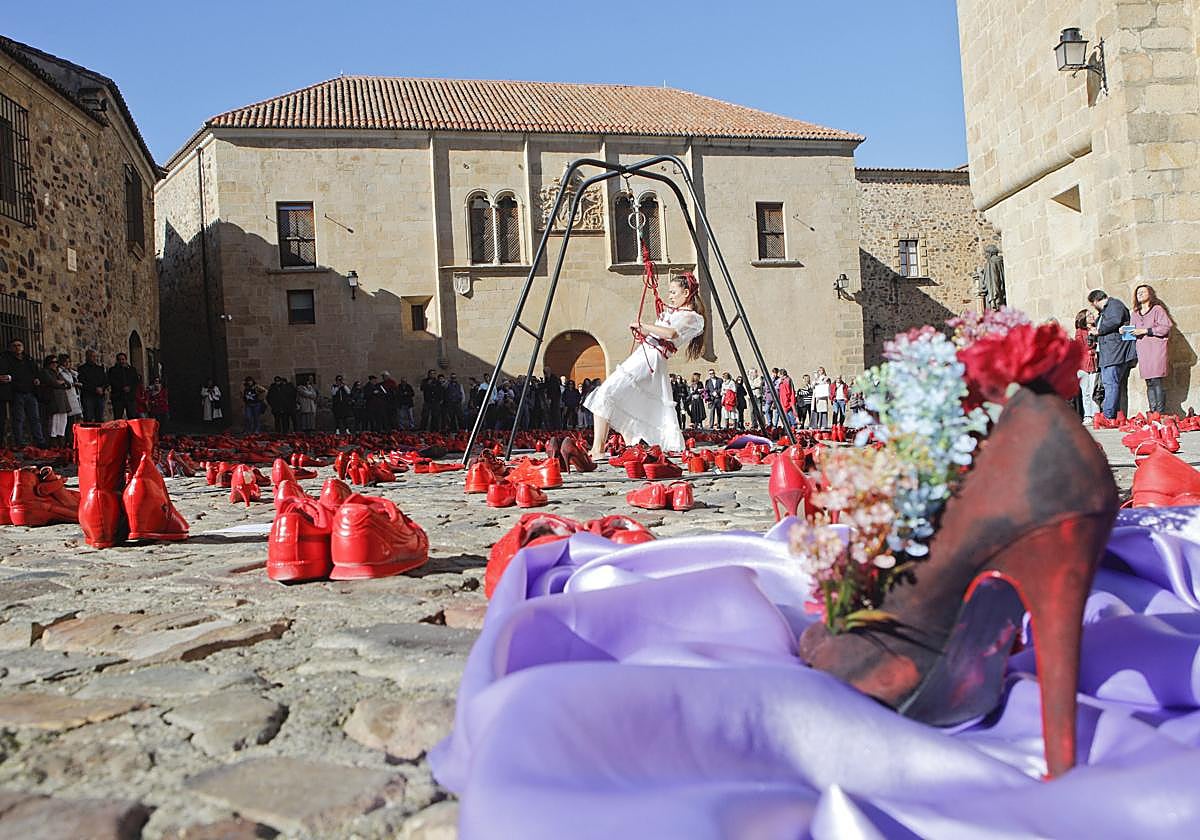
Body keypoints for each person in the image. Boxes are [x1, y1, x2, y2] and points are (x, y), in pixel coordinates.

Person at [585, 273, 706, 459]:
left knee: (607, 392)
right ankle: (603, 447)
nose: (670, 296)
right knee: (612, 394)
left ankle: (598, 449)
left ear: (687, 292)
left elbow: (671, 333)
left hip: (652, 358)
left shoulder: (693, 318)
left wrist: (645, 326)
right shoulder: (675, 313)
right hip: (646, 354)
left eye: (674, 292)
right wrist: (643, 330)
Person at [1088, 289, 1138, 420]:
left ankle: (1108, 415)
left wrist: (1099, 330)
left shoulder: (1114, 305)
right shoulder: (1104, 311)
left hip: (1114, 352)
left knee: (1111, 383)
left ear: (1096, 301)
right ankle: (1112, 413)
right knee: (1109, 383)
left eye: (1093, 304)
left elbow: (1115, 321)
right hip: (1107, 353)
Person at [1129, 284, 1173, 414]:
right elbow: (1132, 331)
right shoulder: (1135, 314)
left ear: (1150, 294)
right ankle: (1152, 411)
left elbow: (1165, 327)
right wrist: (1125, 331)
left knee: (1156, 379)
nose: (1140, 294)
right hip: (1143, 350)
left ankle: (1160, 412)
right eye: (1138, 293)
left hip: (1156, 349)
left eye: (1143, 292)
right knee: (1149, 381)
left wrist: (1145, 330)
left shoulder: (1157, 309)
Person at [2, 339, 45, 446]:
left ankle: (39, 441)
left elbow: (36, 372)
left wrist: (36, 379)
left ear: (23, 347)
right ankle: (19, 442)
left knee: (35, 418)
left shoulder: (28, 359)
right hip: (17, 393)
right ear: (11, 348)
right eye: (15, 345)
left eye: (19, 345)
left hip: (30, 392)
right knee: (18, 419)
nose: (17, 347)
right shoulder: (7, 360)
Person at [1074, 310, 1100, 424]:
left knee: (1095, 390)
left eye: (1091, 314)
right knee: (1086, 391)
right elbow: (1080, 346)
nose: (1091, 316)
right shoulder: (1080, 332)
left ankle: (1097, 416)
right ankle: (1088, 415)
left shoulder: (1097, 328)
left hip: (1095, 363)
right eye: (1088, 315)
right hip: (1083, 364)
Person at [40, 355, 70, 447]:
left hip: (62, 399)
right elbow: (52, 382)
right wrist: (60, 383)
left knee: (63, 420)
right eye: (53, 362)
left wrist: (60, 383)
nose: (55, 364)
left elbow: (68, 384)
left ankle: (61, 440)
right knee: (54, 421)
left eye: (56, 362)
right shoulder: (45, 372)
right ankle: (54, 442)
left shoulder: (58, 373)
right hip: (53, 398)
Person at [57, 354, 82, 445]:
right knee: (68, 421)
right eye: (65, 362)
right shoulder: (60, 372)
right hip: (67, 397)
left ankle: (75, 439)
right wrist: (74, 384)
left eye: (69, 362)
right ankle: (69, 441)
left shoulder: (71, 372)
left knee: (76, 420)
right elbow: (67, 383)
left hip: (74, 397)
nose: (68, 364)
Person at [107, 353, 140, 420]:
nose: (122, 361)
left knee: (132, 416)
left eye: (123, 359)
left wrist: (130, 387)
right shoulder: (113, 370)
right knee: (118, 417)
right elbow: (112, 381)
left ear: (126, 360)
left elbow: (136, 381)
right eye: (120, 360)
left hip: (130, 397)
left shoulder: (132, 370)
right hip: (118, 397)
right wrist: (122, 388)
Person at [77, 350, 107, 422]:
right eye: (92, 356)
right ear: (87, 357)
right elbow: (82, 383)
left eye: (95, 356)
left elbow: (106, 381)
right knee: (88, 417)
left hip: (99, 396)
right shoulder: (82, 369)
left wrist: (102, 388)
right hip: (88, 396)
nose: (94, 358)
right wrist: (94, 389)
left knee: (100, 418)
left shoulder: (100, 369)